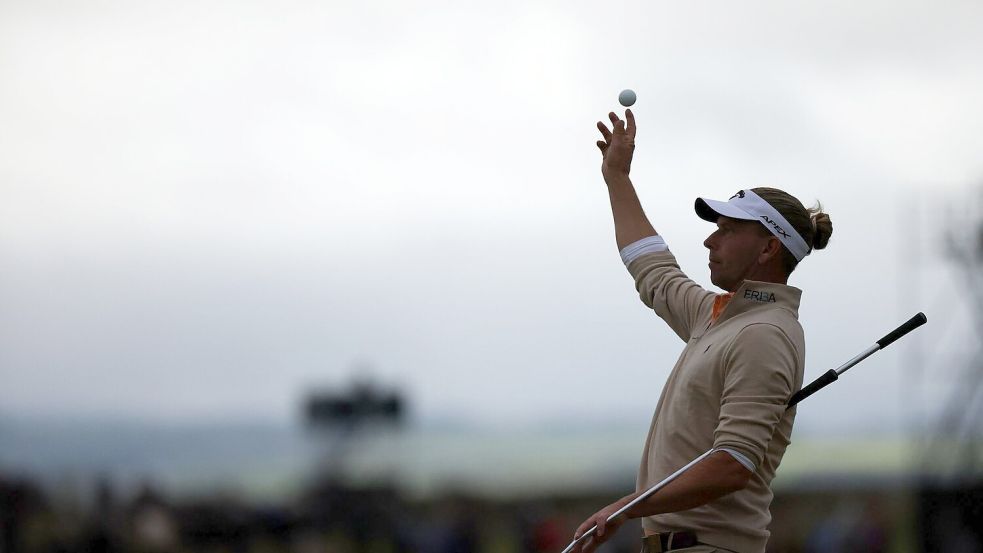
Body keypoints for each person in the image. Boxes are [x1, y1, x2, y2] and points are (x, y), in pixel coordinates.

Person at [571, 110, 833, 553]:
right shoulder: (718, 315)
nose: (710, 241)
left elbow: (732, 464)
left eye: (727, 230)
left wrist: (626, 507)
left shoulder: (764, 333)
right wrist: (617, 178)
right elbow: (653, 269)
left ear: (769, 247)